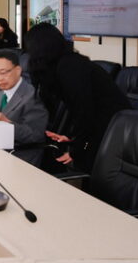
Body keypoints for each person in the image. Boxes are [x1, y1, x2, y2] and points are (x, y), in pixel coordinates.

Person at [25, 22, 130, 172]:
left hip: (114, 130)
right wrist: (72, 137)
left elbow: (85, 112)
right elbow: (77, 110)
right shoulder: (61, 65)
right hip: (101, 127)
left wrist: (77, 148)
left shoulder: (70, 66)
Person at [0, 49, 48, 167]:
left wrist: (7, 123)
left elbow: (36, 135)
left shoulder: (33, 95)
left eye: (4, 72)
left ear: (18, 70)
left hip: (20, 156)